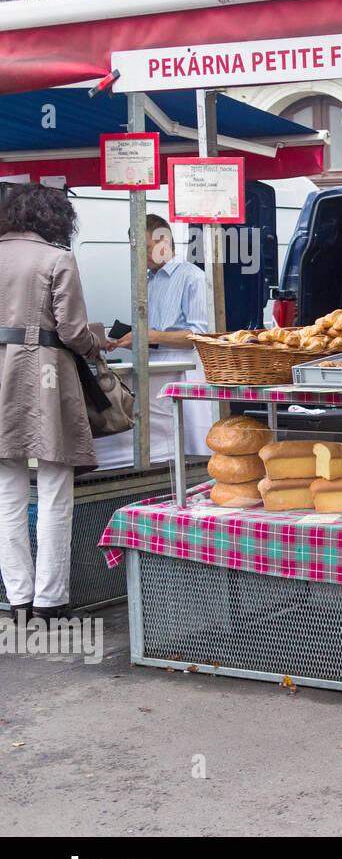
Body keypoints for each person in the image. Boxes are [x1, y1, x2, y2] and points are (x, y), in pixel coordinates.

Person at [0, 183, 101, 620]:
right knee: (57, 488)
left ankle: (18, 598)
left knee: (7, 493)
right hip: (44, 375)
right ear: (56, 219)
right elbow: (74, 332)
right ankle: (50, 600)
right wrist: (99, 344)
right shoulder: (58, 258)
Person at [108, 214, 215, 456]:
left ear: (164, 241)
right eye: (134, 249)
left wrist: (150, 336)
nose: (138, 255)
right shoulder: (148, 281)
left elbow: (200, 336)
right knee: (165, 449)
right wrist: (132, 340)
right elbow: (152, 334)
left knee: (193, 445)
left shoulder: (192, 277)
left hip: (187, 372)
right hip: (155, 372)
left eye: (144, 248)